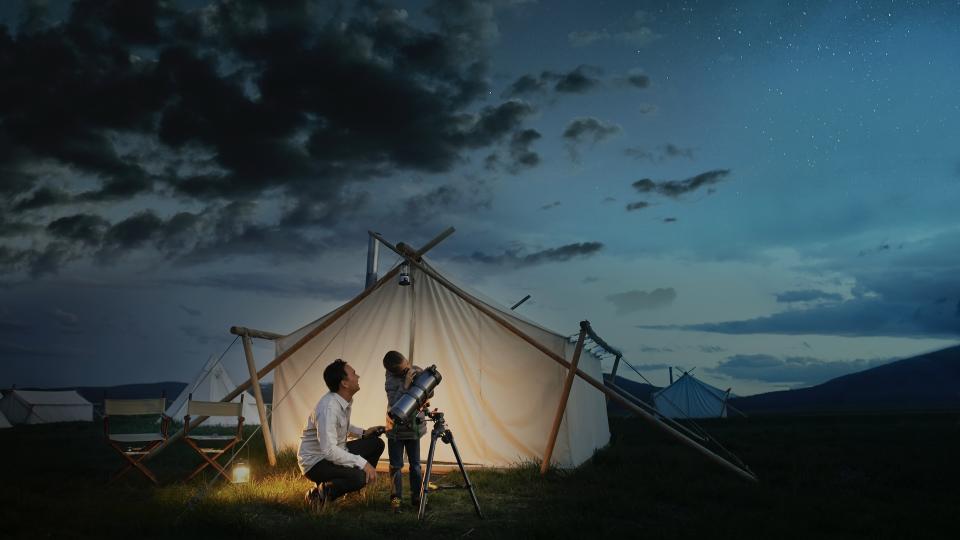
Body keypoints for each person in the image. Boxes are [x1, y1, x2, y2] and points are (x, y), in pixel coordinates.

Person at [298, 359, 384, 507]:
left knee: (375, 443)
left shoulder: (343, 401)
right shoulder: (328, 408)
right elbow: (329, 451)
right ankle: (319, 493)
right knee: (359, 476)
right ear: (344, 383)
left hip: (335, 452)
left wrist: (363, 433)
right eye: (354, 374)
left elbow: (343, 426)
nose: (358, 376)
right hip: (316, 463)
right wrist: (363, 464)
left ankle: (353, 485)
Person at [382, 350, 425, 513]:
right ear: (395, 371)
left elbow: (429, 393)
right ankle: (396, 500)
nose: (408, 369)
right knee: (396, 466)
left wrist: (425, 378)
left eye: (407, 364)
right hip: (396, 429)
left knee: (415, 465)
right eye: (404, 369)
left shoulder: (414, 369)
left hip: (413, 428)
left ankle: (417, 497)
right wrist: (406, 384)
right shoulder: (391, 381)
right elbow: (394, 403)